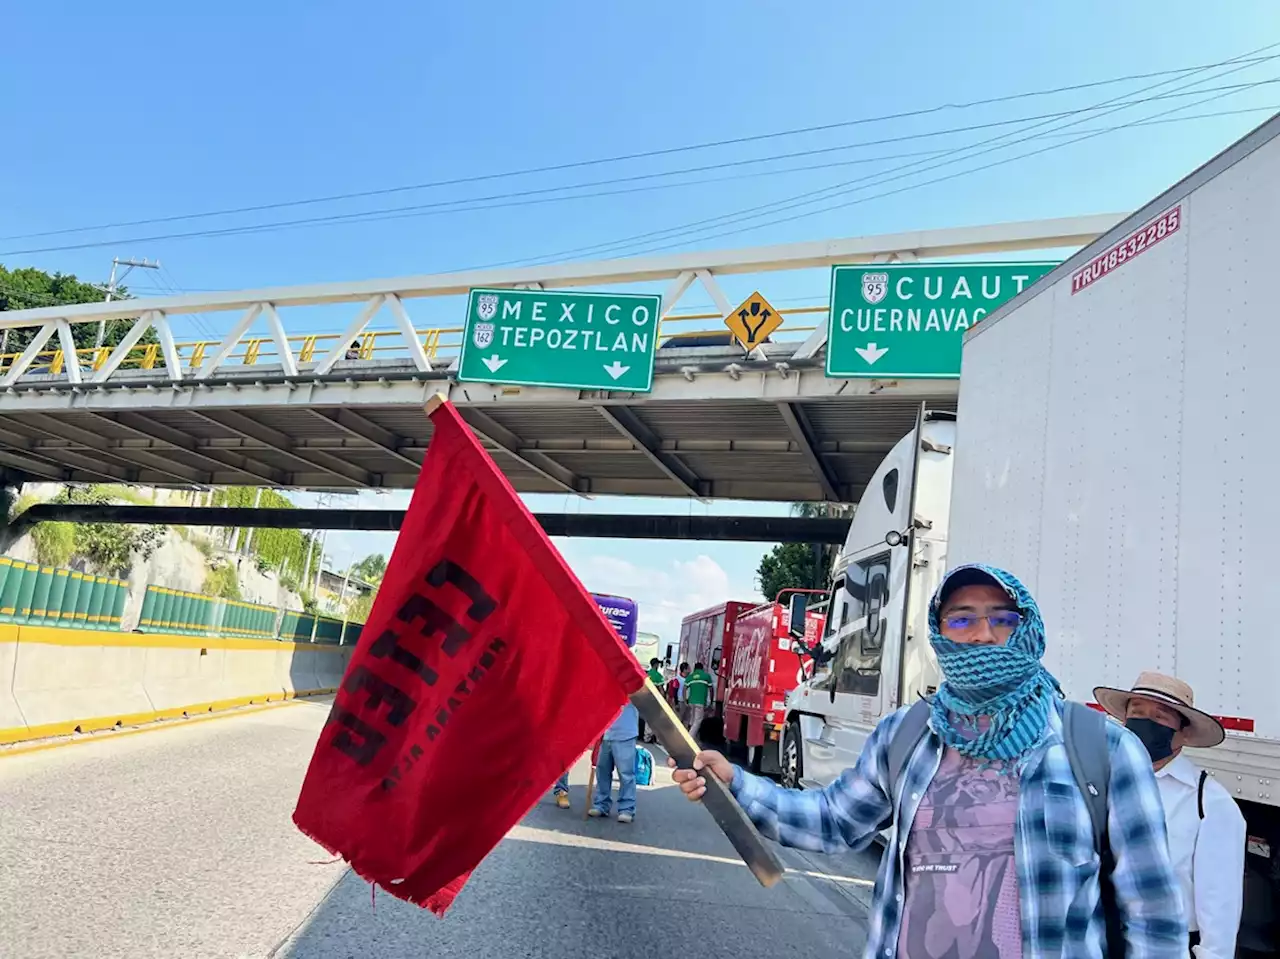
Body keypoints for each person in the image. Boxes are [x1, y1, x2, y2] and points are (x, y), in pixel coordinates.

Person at [671, 564, 1185, 959]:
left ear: (1028, 628)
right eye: (961, 619)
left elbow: (1154, 915)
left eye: (1002, 619)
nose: (982, 635)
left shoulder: (1104, 750)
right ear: (939, 633)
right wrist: (736, 781)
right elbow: (831, 822)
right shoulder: (907, 734)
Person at [1095, 672, 1246, 958]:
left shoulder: (1209, 802)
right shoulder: (1105, 782)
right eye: (1137, 712)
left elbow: (1219, 904)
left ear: (1184, 732)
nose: (1144, 723)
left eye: (1160, 717)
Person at [588, 702, 639, 823]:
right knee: (602, 770)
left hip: (626, 733)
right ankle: (601, 804)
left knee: (626, 774)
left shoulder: (633, 683)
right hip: (606, 733)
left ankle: (626, 809)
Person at [684, 660, 714, 740]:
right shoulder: (706, 676)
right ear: (702, 668)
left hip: (691, 701)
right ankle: (689, 739)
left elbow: (684, 688)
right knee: (698, 721)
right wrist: (711, 701)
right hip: (700, 702)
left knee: (692, 720)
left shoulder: (690, 677)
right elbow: (711, 689)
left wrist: (684, 700)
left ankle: (692, 738)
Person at [640, 658, 664, 743]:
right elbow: (661, 690)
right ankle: (656, 738)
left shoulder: (646, 674)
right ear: (656, 664)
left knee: (648, 718)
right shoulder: (658, 676)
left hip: (646, 698)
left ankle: (647, 736)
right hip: (655, 699)